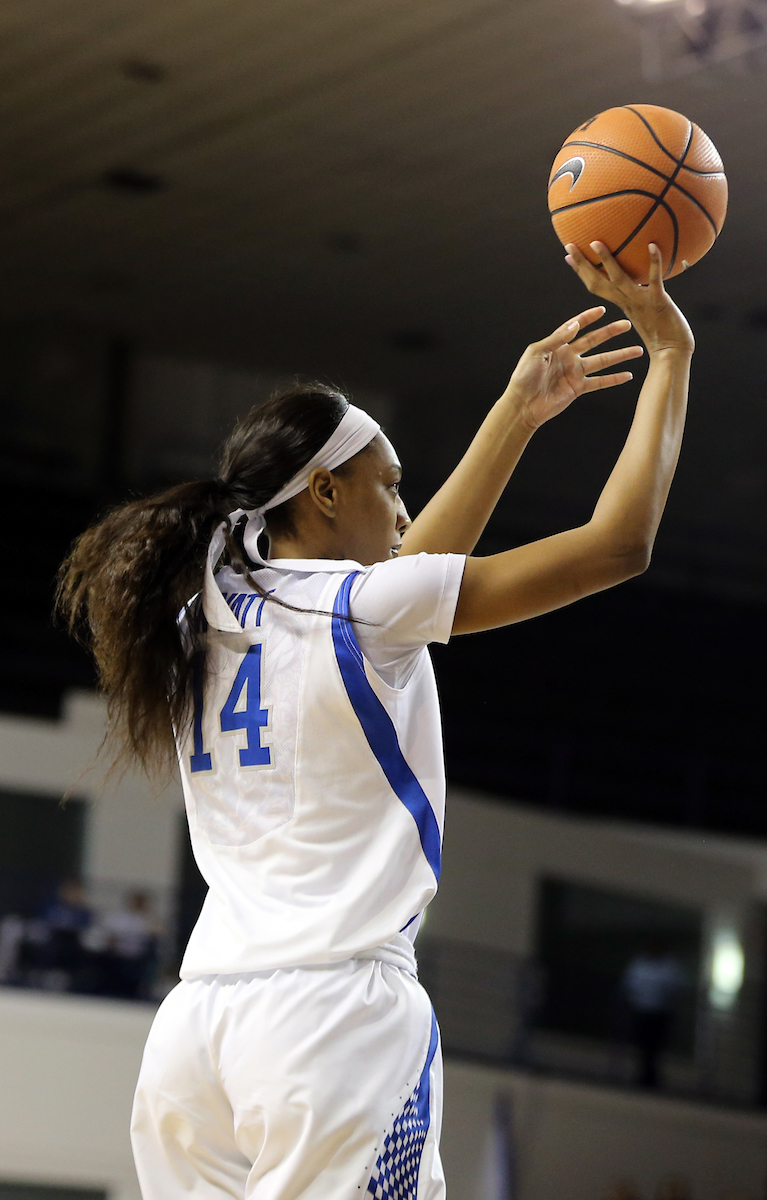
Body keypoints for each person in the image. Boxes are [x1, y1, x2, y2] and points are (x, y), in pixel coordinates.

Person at [57, 241, 693, 1200]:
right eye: (389, 485)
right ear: (323, 491)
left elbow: (400, 580)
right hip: (333, 1021)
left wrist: (518, 412)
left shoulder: (196, 618)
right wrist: (671, 356)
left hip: (198, 1033)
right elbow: (618, 545)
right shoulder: (358, 613)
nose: (402, 514)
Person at [622, 941, 686, 1089]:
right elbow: (630, 984)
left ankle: (652, 1076)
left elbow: (677, 987)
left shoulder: (669, 966)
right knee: (642, 1044)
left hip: (660, 1012)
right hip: (641, 1010)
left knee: (656, 1046)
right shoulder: (640, 964)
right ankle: (643, 1074)